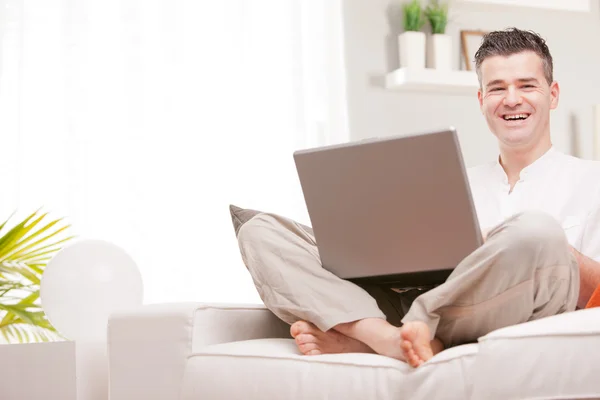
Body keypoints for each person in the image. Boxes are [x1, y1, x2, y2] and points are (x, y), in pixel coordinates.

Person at [236, 28, 600, 368]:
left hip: (511, 305)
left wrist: (523, 245)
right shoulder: (454, 182)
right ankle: (382, 336)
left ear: (552, 95)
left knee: (538, 232)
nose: (512, 99)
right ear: (481, 100)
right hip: (416, 301)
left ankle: (405, 330)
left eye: (526, 85)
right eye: (497, 88)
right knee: (259, 231)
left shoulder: (591, 180)